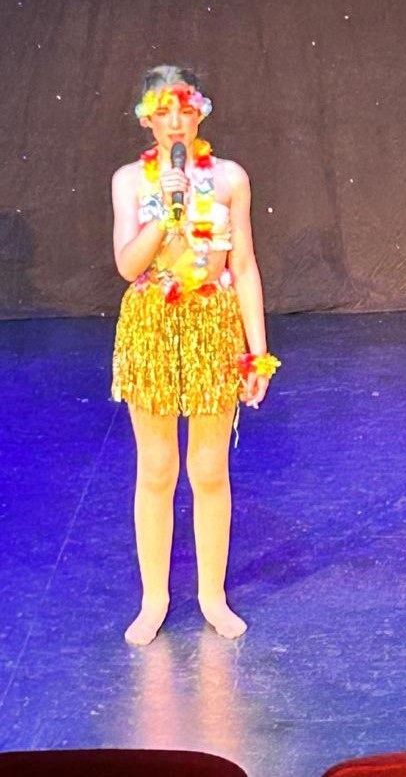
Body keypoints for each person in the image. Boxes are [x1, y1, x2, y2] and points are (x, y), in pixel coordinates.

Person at [111, 65, 280, 646]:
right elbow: (129, 266)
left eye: (184, 110)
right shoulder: (130, 181)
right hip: (152, 326)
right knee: (156, 468)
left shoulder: (230, 178)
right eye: (163, 112)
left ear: (200, 112)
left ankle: (212, 594)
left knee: (209, 469)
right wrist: (163, 214)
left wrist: (257, 351)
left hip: (213, 324)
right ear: (147, 119)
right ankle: (154, 597)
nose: (175, 122)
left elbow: (245, 266)